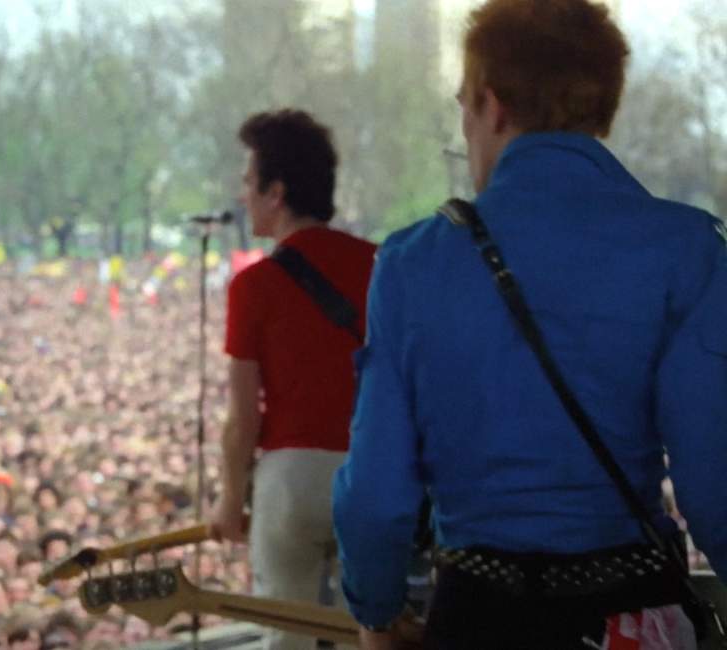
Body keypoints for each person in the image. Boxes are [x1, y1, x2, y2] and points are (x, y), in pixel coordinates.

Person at [332, 1, 727, 649]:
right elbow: (715, 485)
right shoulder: (688, 251)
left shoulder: (413, 263)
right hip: (632, 614)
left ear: (491, 106)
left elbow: (376, 498)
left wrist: (375, 612)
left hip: (479, 617)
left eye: (463, 108)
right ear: (602, 107)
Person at [209, 109, 377, 650]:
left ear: (276, 192)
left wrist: (230, 499)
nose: (242, 195)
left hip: (290, 478)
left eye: (248, 182)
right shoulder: (381, 265)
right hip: (372, 471)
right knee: (365, 632)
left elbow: (243, 417)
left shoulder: (253, 286)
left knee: (285, 634)